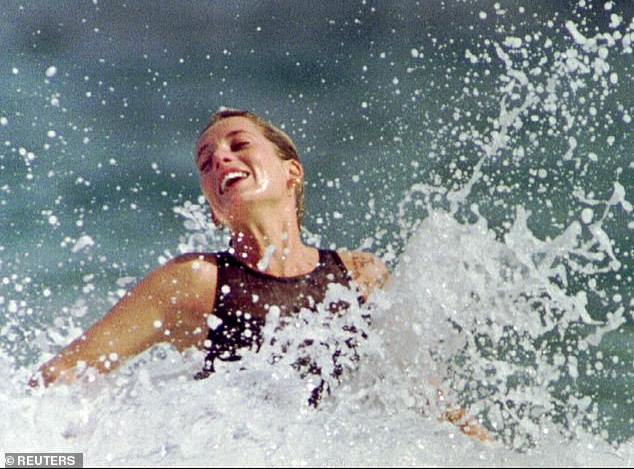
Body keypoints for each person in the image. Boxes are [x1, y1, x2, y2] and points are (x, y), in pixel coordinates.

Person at [30, 109, 490, 440]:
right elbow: (63, 373)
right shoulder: (193, 282)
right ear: (213, 210)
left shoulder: (361, 275)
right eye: (206, 163)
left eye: (239, 144)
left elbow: (420, 395)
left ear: (292, 171)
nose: (220, 161)